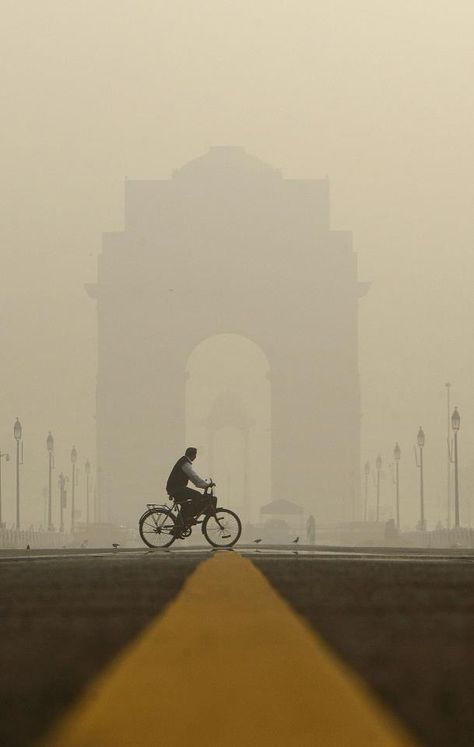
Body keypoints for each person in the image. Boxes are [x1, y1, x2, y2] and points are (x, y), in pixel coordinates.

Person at [166, 447, 215, 527]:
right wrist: (206, 485)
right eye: (195, 455)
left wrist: (203, 484)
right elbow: (193, 476)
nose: (195, 457)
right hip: (176, 488)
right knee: (197, 495)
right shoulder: (185, 463)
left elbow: (193, 479)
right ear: (193, 455)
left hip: (175, 488)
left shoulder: (184, 461)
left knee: (185, 506)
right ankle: (189, 517)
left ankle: (177, 529)